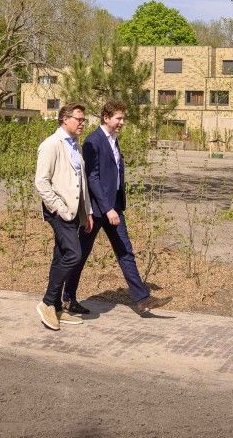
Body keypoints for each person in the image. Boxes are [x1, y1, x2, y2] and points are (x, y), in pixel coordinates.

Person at [64, 100, 169, 317]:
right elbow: (92, 178)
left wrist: (115, 207)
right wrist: (107, 209)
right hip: (97, 211)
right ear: (106, 118)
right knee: (81, 254)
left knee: (125, 251)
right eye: (118, 118)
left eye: (123, 118)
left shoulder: (113, 139)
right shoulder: (93, 141)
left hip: (114, 207)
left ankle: (142, 299)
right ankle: (67, 298)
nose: (122, 122)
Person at [34, 104, 93, 331]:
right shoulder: (51, 145)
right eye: (78, 119)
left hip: (74, 211)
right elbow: (41, 182)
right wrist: (58, 207)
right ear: (64, 119)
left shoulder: (75, 145)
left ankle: (57, 307)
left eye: (83, 119)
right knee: (74, 254)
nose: (82, 123)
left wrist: (87, 211)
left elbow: (81, 182)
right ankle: (47, 302)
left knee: (61, 256)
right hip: (59, 211)